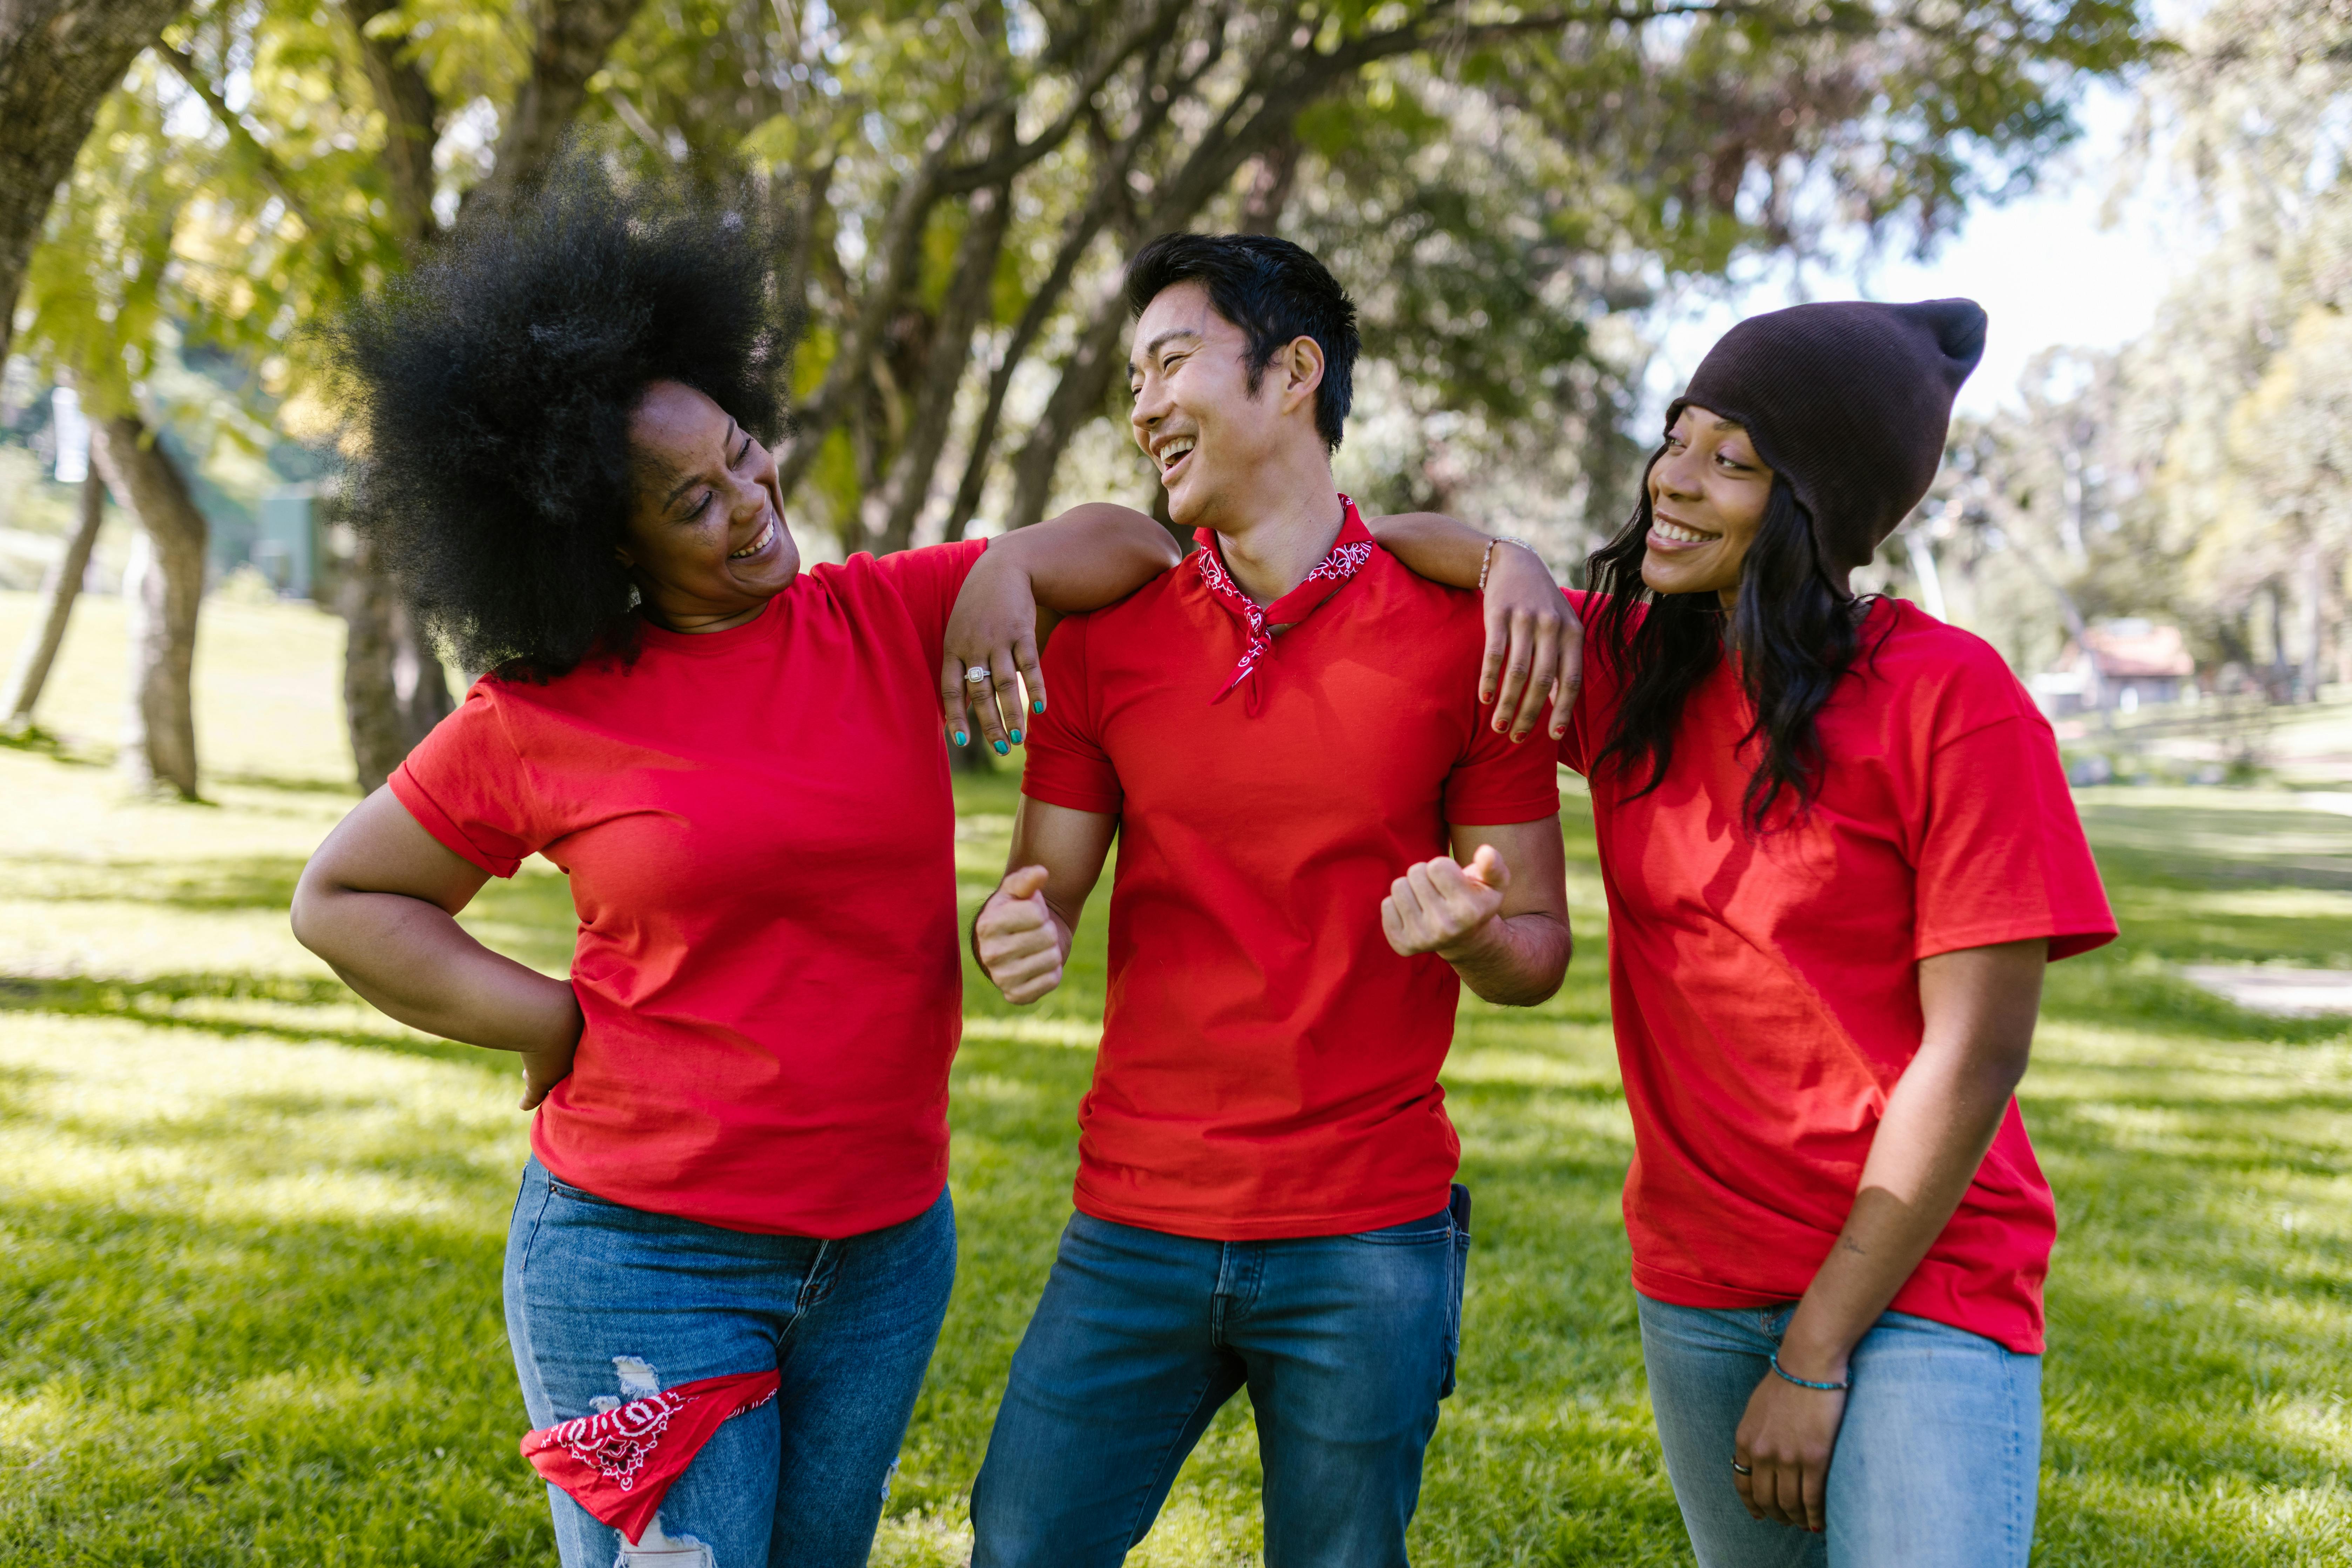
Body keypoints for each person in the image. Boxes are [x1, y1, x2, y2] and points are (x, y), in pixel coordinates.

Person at [286, 169, 1184, 1568]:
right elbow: (341, 896)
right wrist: (546, 1015)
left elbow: (1137, 543)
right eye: (689, 501)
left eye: (742, 453)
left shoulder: (879, 615)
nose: (749, 502)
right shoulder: (549, 710)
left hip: (883, 1253)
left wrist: (1010, 561)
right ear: (602, 537)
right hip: (644, 1251)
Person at [1424, 300, 2115, 1566]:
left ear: (1816, 502)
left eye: (1733, 460)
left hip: (1922, 1282)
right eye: (1677, 437)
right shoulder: (1632, 665)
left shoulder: (1951, 702)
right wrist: (1503, 559)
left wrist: (1815, 1352)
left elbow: (1972, 1060)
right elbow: (1391, 548)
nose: (1675, 481)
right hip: (1697, 1276)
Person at [962, 232, 1573, 1568]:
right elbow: (1039, 885)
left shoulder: (1466, 636)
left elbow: (1537, 951)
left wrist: (1473, 936)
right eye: (1133, 376)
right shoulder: (1102, 639)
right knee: (1018, 1543)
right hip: (1134, 1215)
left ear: (1293, 372)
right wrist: (1017, 923)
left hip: (1366, 1231)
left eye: (1170, 361)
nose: (1141, 407)